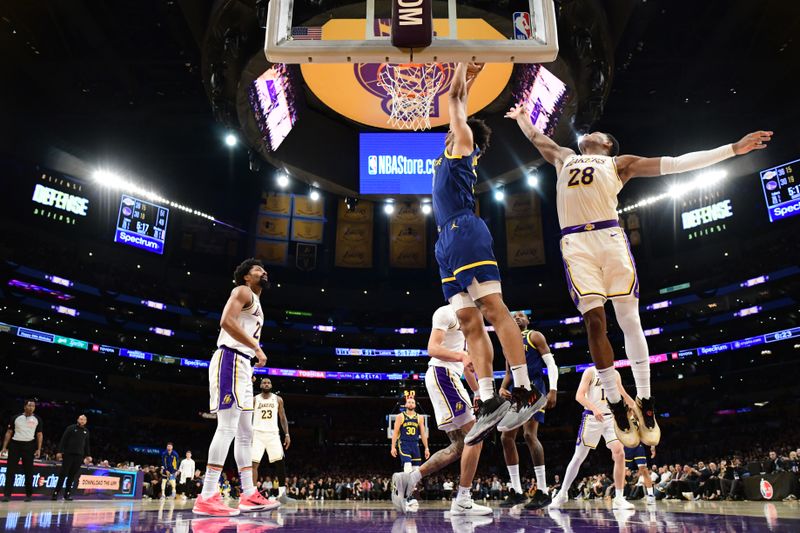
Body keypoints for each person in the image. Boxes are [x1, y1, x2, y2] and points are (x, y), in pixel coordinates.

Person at [507, 103, 773, 448]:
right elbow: (537, 138)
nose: (591, 132)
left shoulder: (620, 164)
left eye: (600, 134)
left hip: (609, 237)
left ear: (606, 146)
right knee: (594, 323)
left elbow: (675, 164)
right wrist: (523, 118)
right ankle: (617, 404)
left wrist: (733, 149)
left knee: (629, 319)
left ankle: (645, 399)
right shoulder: (563, 157)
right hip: (575, 243)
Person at [433, 62, 547, 449]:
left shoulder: (463, 142)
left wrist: (462, 65)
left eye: (453, 125)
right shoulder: (453, 147)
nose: (449, 128)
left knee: (494, 309)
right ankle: (488, 398)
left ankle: (526, 388)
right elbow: (459, 99)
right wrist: (472, 77)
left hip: (465, 231)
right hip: (444, 241)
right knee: (468, 321)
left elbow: (454, 99)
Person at [193, 258, 279, 516]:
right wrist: (255, 348)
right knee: (228, 427)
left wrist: (249, 362)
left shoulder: (258, 302)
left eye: (264, 269)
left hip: (241, 365)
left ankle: (248, 493)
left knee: (245, 434)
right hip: (229, 358)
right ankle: (207, 495)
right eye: (257, 270)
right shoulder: (242, 291)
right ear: (246, 277)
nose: (263, 271)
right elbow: (226, 322)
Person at [391, 304, 483, 515]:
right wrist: (461, 357)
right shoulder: (446, 312)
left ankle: (410, 478)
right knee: (476, 435)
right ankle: (463, 499)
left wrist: (477, 393)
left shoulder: (468, 319)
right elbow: (432, 348)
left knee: (461, 445)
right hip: (443, 375)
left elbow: (467, 365)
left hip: (450, 377)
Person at [549, 367, 635, 510]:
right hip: (591, 417)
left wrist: (636, 407)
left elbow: (623, 394)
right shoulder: (590, 372)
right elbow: (579, 396)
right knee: (578, 457)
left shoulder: (615, 373)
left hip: (611, 418)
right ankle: (563, 493)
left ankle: (619, 498)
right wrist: (594, 408)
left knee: (619, 453)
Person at [499, 311, 559, 510]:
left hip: (535, 388)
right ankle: (517, 491)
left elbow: (551, 363)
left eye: (521, 315)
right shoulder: (508, 341)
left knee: (529, 435)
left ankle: (542, 490)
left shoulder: (534, 336)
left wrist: (553, 389)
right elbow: (508, 373)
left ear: (528, 321)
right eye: (514, 315)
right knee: (506, 437)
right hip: (517, 392)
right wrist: (502, 387)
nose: (517, 317)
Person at [252, 377, 296, 504]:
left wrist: (287, 434)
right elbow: (248, 416)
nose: (266, 384)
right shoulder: (255, 400)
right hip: (257, 433)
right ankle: (254, 494)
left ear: (271, 385)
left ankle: (282, 495)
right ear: (260, 385)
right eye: (264, 382)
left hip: (273, 434)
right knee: (254, 464)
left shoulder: (278, 399)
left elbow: (282, 418)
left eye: (268, 382)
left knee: (280, 463)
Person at [2, 399, 43, 502]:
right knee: (10, 470)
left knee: (28, 471)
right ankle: (7, 495)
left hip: (29, 446)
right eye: (29, 405)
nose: (31, 407)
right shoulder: (16, 417)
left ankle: (29, 495)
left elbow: (39, 434)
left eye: (33, 406)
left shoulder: (37, 419)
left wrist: (38, 449)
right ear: (24, 406)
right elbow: (9, 432)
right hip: (15, 445)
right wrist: (4, 447)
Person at [51, 414, 91, 501]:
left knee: (72, 476)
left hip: (79, 456)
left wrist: (88, 455)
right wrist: (59, 451)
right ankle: (55, 493)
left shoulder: (86, 431)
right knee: (63, 474)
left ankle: (67, 494)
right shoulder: (71, 428)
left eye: (84, 419)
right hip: (68, 454)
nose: (82, 420)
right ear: (77, 419)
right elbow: (63, 440)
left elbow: (87, 444)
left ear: (86, 421)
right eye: (81, 419)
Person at [390, 397, 429, 477]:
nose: (411, 404)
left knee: (416, 468)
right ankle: (406, 485)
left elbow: (423, 434)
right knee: (407, 466)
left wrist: (426, 448)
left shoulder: (419, 417)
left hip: (415, 444)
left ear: (415, 405)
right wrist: (393, 447)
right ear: (405, 405)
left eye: (412, 402)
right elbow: (395, 433)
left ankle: (412, 487)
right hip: (404, 443)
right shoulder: (400, 416)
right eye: (409, 402)